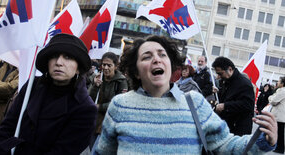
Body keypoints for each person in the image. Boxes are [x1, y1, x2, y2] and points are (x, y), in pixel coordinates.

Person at [95, 35, 277, 154]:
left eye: (162, 54)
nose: (156, 59)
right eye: (147, 56)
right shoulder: (120, 105)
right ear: (136, 72)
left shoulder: (194, 103)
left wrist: (262, 140)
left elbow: (225, 145)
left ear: (171, 66)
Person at [0, 33, 97, 154]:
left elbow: (65, 150)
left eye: (68, 57)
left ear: (78, 67)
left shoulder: (85, 108)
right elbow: (8, 125)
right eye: (54, 56)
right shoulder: (32, 87)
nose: (59, 62)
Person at [88, 52, 128, 148]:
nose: (105, 68)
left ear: (115, 66)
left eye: (109, 65)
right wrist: (95, 86)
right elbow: (88, 98)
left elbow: (119, 103)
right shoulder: (97, 77)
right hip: (94, 121)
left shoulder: (121, 81)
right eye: (103, 64)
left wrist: (100, 107)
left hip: (109, 123)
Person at [212, 56, 255, 136]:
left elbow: (247, 104)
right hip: (227, 125)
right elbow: (226, 98)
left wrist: (225, 106)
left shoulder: (244, 83)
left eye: (220, 74)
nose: (219, 77)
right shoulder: (226, 81)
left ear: (230, 69)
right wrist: (218, 93)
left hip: (239, 128)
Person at [269, 76, 285, 154]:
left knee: (279, 133)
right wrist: (272, 98)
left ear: (282, 83)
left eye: (279, 81)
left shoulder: (283, 91)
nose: (277, 82)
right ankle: (278, 147)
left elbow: (273, 101)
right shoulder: (280, 90)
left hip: (280, 116)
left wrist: (271, 98)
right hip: (278, 116)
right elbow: (273, 99)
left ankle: (280, 148)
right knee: (278, 132)